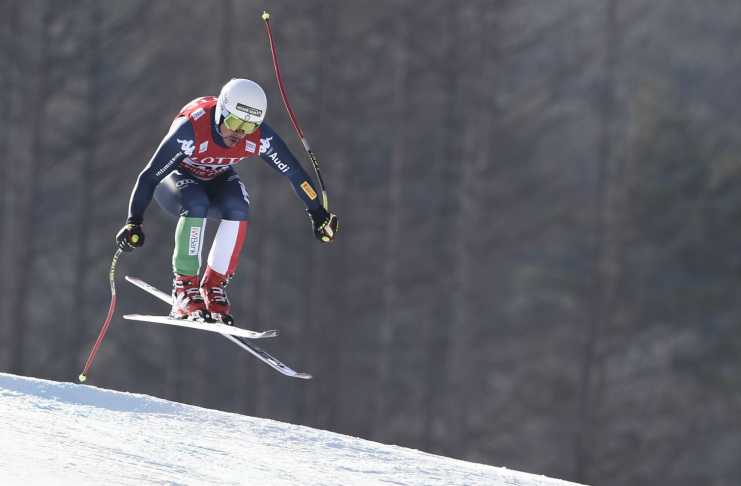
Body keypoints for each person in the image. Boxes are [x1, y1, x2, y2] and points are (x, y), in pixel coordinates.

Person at [115, 78, 339, 324]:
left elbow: (294, 173)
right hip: (176, 179)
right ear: (220, 113)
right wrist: (133, 221)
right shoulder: (191, 129)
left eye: (249, 126)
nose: (239, 133)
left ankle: (213, 286)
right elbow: (149, 177)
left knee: (238, 206)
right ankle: (184, 287)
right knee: (196, 203)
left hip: (216, 177)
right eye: (234, 123)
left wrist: (318, 213)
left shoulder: (260, 138)